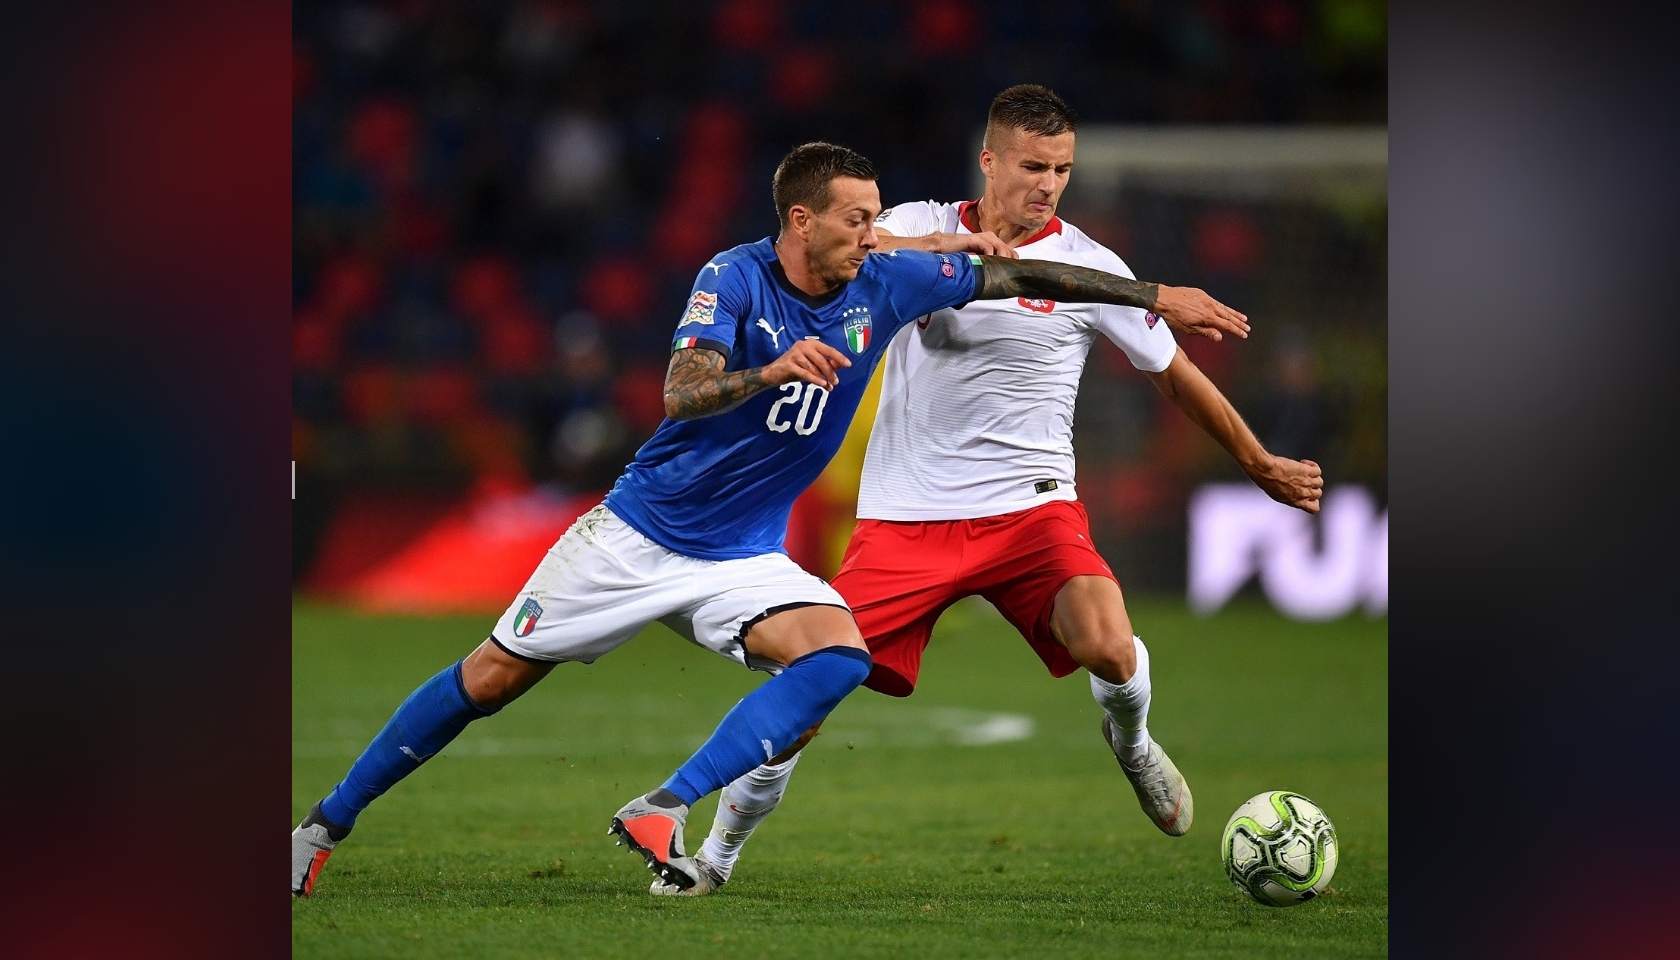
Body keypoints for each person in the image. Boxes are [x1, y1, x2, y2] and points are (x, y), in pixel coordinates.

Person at [292, 140, 1249, 897]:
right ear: (801, 221)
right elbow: (681, 392)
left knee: (838, 656)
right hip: (638, 536)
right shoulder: (736, 278)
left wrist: (1153, 294)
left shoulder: (888, 279)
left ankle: (665, 808)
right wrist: (769, 371)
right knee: (492, 677)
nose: (875, 236)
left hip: (741, 556)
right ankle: (321, 827)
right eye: (857, 221)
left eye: (879, 220)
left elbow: (1031, 282)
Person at [652, 86, 1322, 897]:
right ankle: (715, 858)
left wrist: (1257, 461)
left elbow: (1176, 378)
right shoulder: (906, 223)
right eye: (1034, 165)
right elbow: (858, 258)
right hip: (906, 519)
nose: (1048, 183)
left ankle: (1134, 740)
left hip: (1031, 510)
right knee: (808, 690)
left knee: (1108, 644)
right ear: (990, 160)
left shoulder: (1093, 268)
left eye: (1063, 169)